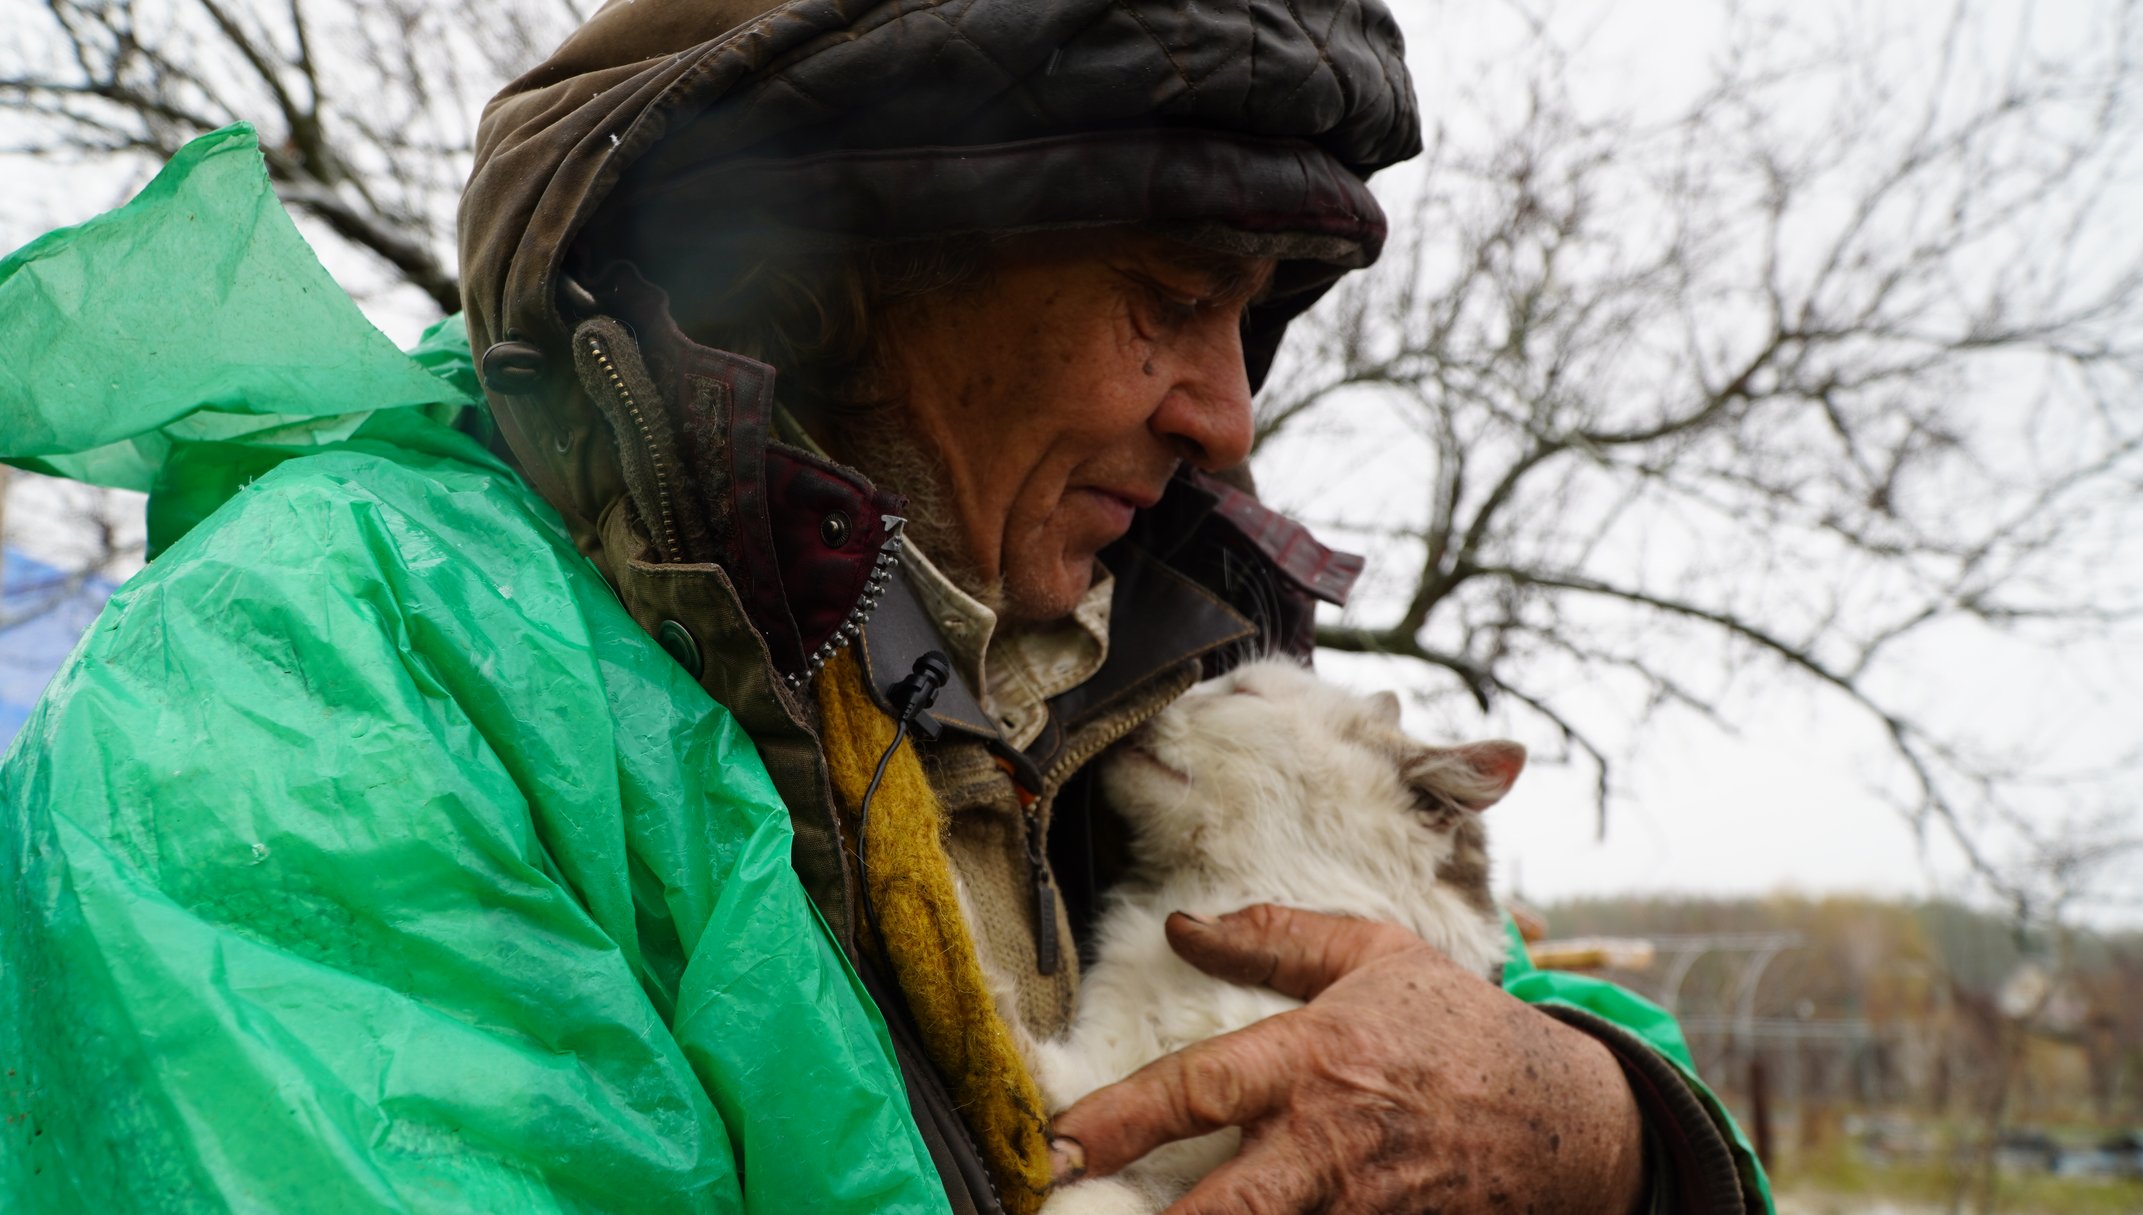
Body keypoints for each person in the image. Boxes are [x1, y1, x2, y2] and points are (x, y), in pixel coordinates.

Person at [2, 2, 1770, 1213]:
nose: (1231, 416)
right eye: (1167, 296)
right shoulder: (318, 681)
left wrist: (1595, 1126)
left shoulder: (1103, 672)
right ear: (842, 271)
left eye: (1254, 319)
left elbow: (1512, 1050)